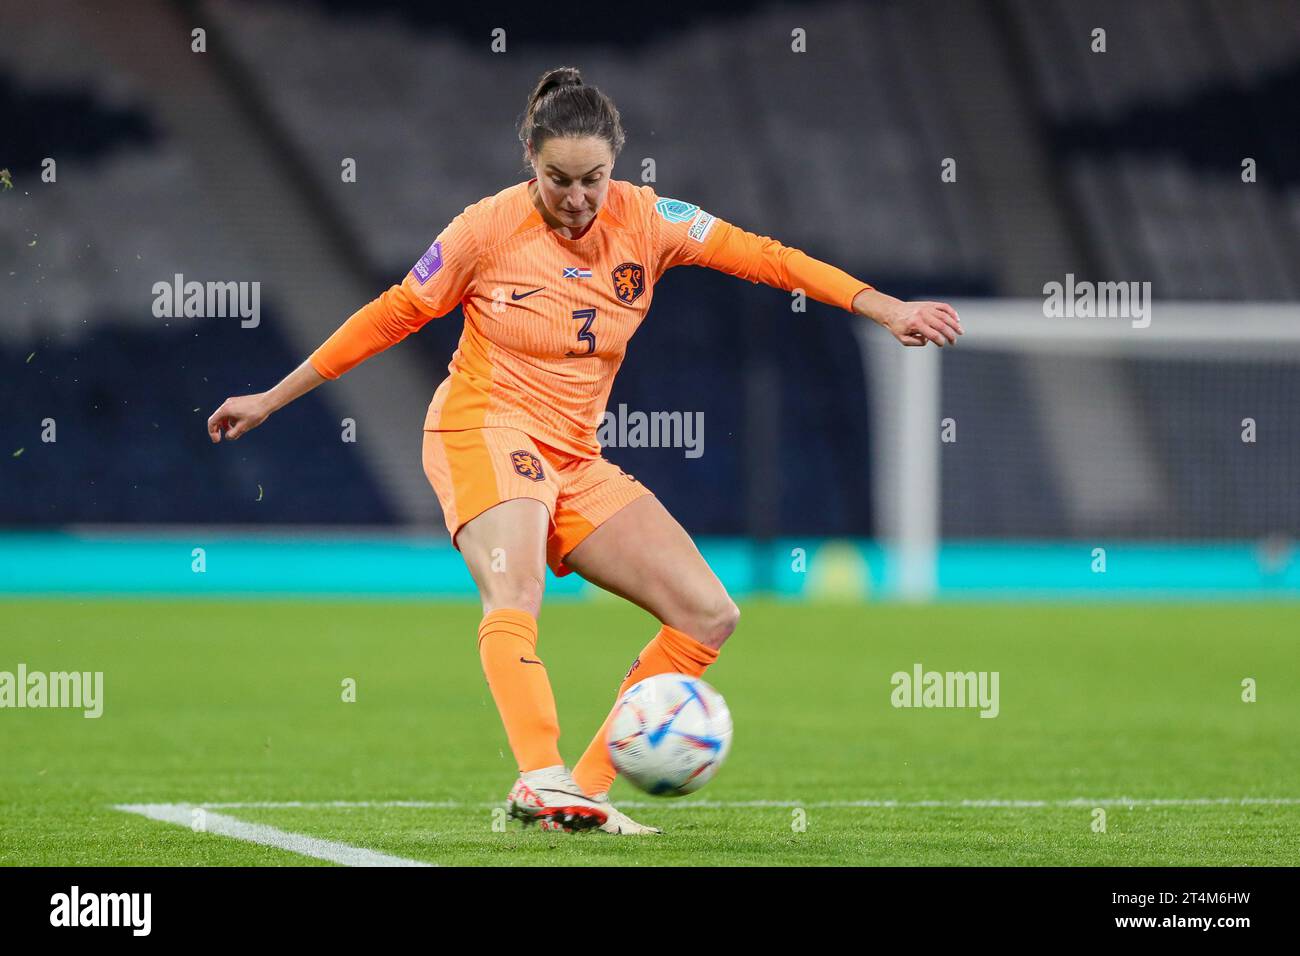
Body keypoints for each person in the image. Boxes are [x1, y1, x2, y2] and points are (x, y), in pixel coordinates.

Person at [207, 66, 962, 835]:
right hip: (484, 425)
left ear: (616, 167)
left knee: (707, 615)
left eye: (592, 180)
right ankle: (541, 775)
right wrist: (273, 395)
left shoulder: (650, 220)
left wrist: (882, 305)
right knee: (518, 593)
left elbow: (766, 257)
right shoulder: (484, 230)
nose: (575, 199)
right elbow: (393, 313)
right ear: (529, 162)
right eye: (557, 179)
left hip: (574, 455)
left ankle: (585, 792)